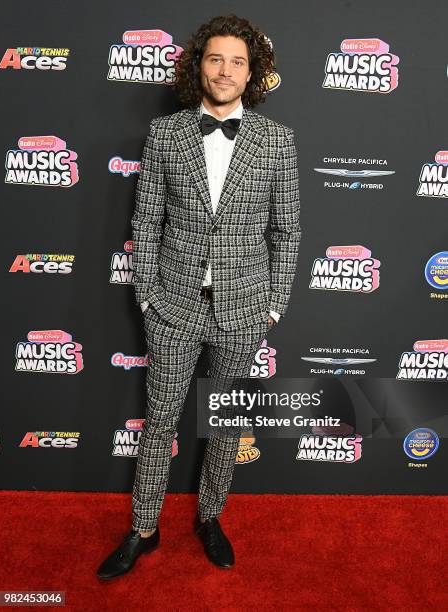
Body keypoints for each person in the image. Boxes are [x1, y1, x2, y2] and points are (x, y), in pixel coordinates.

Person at [97, 13, 301, 580]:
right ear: (198, 66)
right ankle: (143, 527)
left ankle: (210, 517)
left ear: (252, 73)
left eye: (238, 61)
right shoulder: (166, 134)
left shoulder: (277, 141)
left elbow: (287, 230)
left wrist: (273, 304)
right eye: (216, 59)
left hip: (243, 309)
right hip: (173, 306)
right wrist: (147, 297)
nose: (226, 70)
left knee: (225, 422)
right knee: (159, 421)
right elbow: (147, 220)